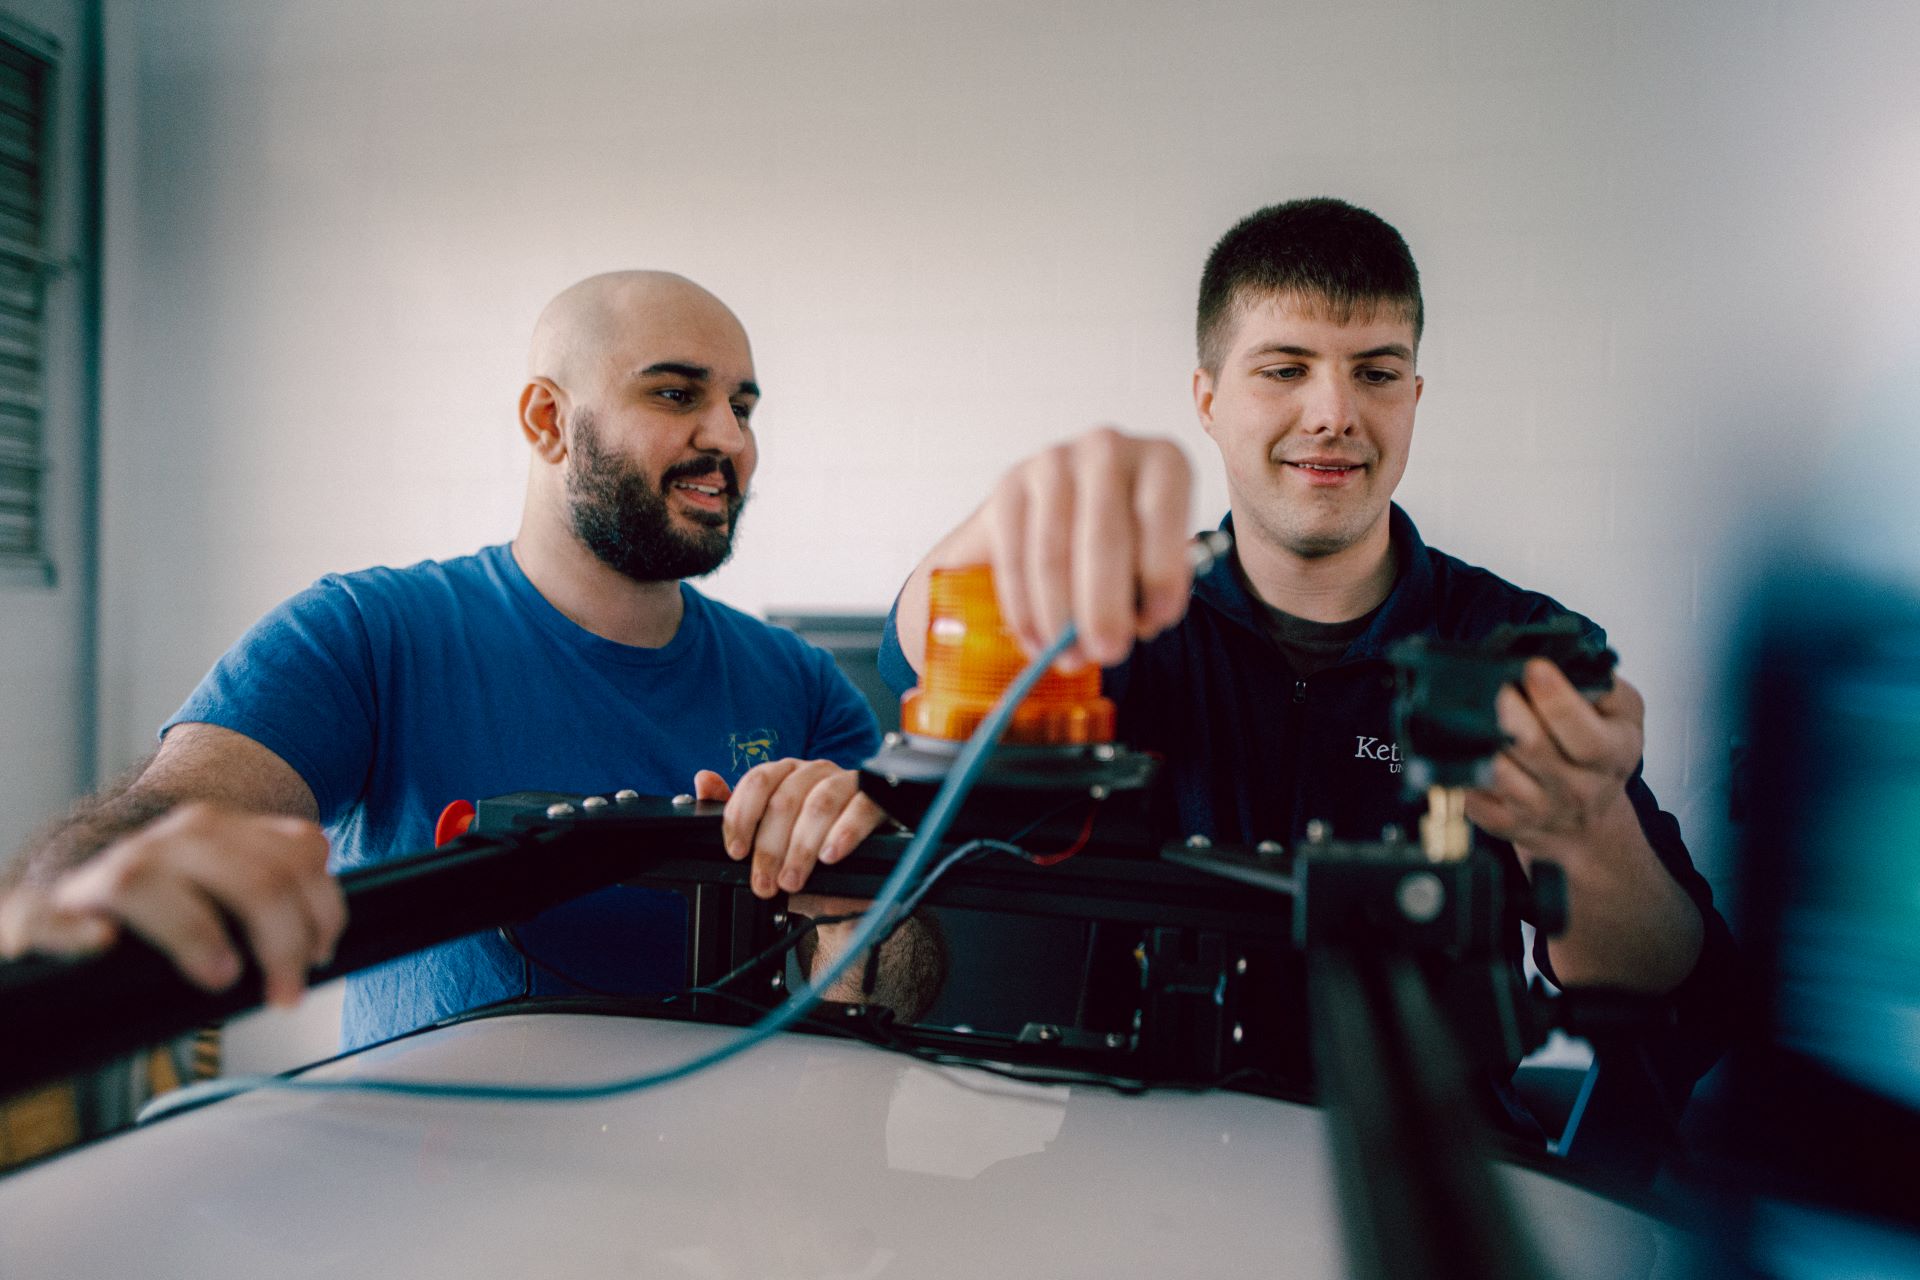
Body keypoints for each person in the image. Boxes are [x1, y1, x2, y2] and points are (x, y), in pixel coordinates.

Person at [877, 198, 1740, 1122]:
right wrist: (1016, 512)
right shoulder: (1121, 630)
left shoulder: (1511, 647)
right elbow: (916, 658)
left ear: (1413, 399)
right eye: (1284, 369)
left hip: (1428, 1181)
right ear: (1207, 399)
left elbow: (1674, 998)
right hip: (1141, 1160)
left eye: (1375, 373)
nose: (1333, 414)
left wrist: (1582, 826)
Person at [2, 271, 896, 1047]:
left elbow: (909, 974)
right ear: (548, 419)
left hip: (717, 1208)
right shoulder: (363, 632)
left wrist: (862, 915)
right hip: (426, 1200)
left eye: (741, 407)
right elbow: (175, 807)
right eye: (675, 395)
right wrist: (93, 879)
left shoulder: (803, 685)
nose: (730, 440)